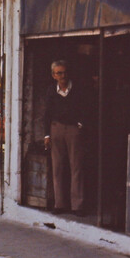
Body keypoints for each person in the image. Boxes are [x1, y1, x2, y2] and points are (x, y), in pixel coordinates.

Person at [44, 60, 89, 216]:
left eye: (64, 72)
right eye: (59, 73)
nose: (62, 76)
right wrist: (47, 134)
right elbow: (47, 113)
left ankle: (77, 205)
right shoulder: (51, 90)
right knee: (57, 168)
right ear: (53, 75)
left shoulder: (78, 89)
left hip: (73, 130)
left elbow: (86, 107)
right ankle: (59, 204)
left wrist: (80, 124)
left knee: (76, 167)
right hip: (56, 129)